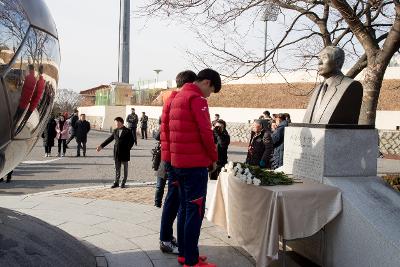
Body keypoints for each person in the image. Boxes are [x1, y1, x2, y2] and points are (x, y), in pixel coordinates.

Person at [167, 69, 221, 267]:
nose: (209, 95)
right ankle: (191, 260)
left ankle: (185, 253)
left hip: (178, 163)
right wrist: (213, 158)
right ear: (206, 82)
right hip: (194, 165)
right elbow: (206, 132)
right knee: (194, 211)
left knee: (185, 208)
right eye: (211, 90)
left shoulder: (177, 97)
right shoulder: (197, 99)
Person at [159, 70, 198, 255]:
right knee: (173, 201)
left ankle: (167, 237)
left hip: (170, 157)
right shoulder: (177, 101)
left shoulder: (170, 99)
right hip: (174, 159)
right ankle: (166, 239)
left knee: (173, 200)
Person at [96, 117, 134, 188]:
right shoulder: (115, 131)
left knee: (124, 168)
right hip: (117, 152)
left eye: (116, 122)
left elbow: (132, 141)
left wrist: (128, 148)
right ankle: (116, 182)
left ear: (120, 122)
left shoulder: (128, 131)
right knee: (117, 168)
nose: (115, 124)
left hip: (125, 152)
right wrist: (101, 146)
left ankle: (123, 182)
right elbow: (109, 139)